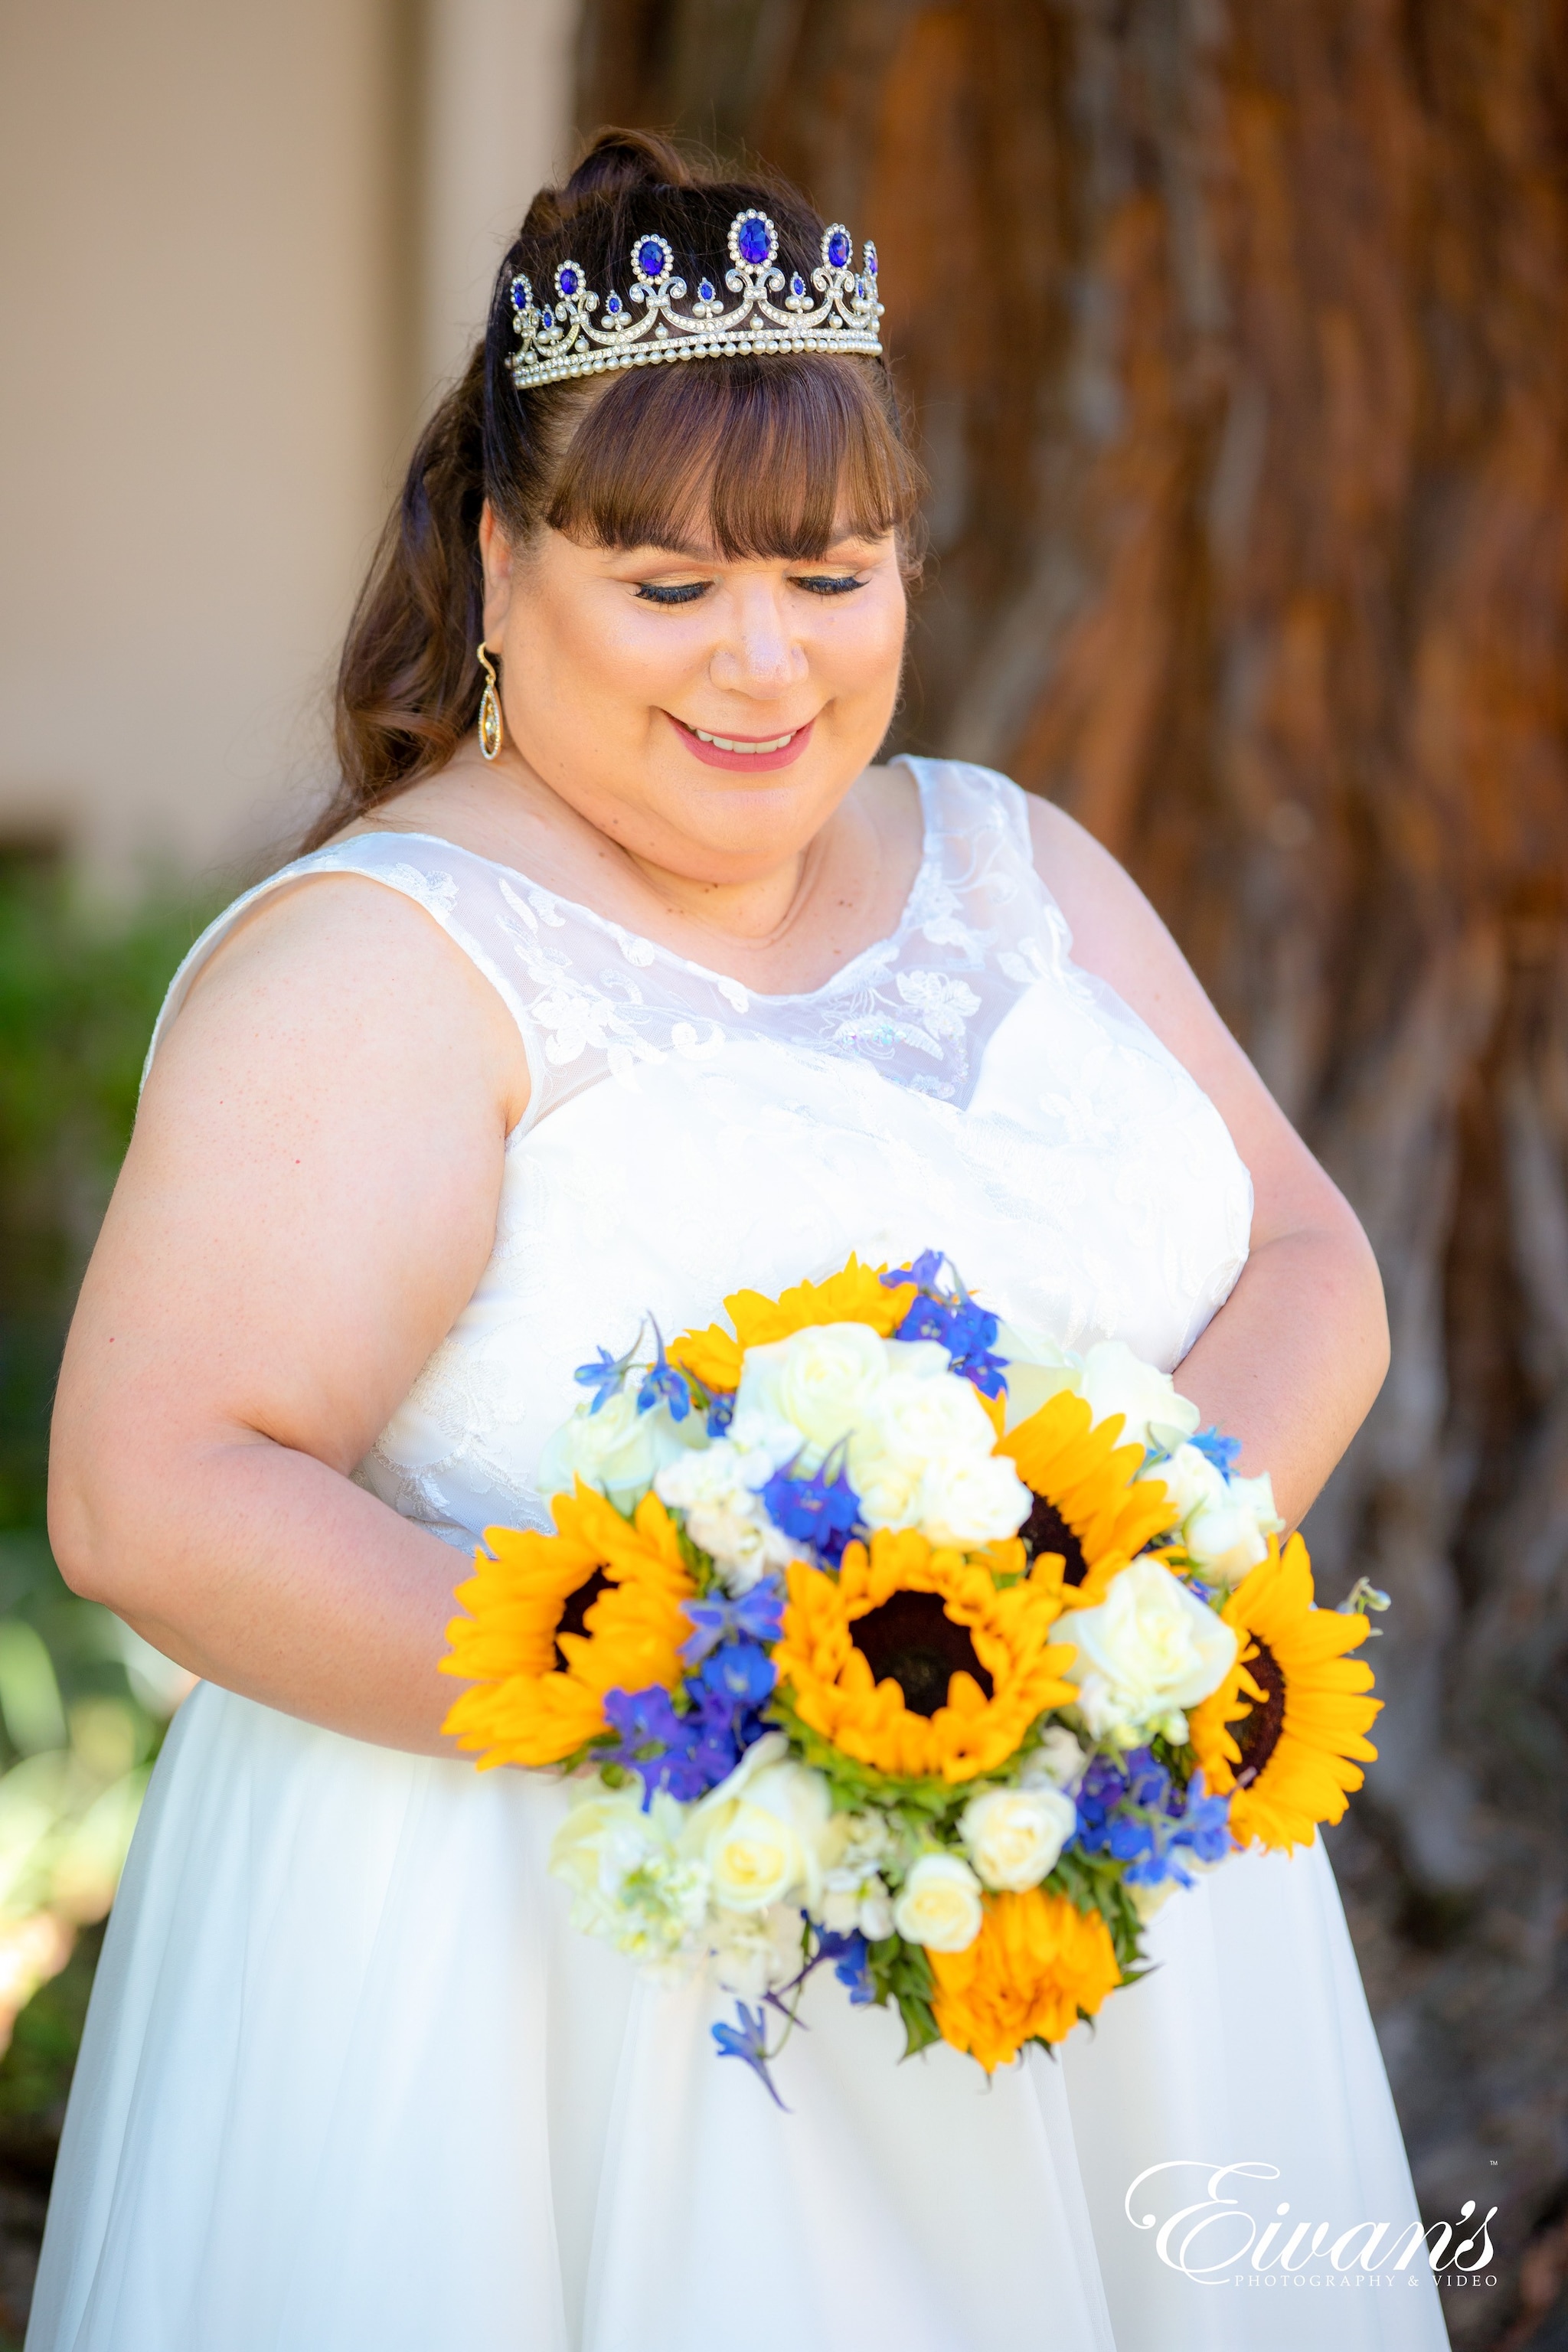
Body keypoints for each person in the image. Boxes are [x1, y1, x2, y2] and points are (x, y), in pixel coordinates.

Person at [31, 130, 1447, 2352]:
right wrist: (732, 1712)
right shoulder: (382, 965)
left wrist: (1087, 1638)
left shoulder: (1019, 864)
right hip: (564, 2027)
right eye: (671, 590)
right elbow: (148, 1493)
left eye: (837, 574)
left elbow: (1311, 1262)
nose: (768, 668)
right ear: (504, 572)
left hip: (1099, 1939)